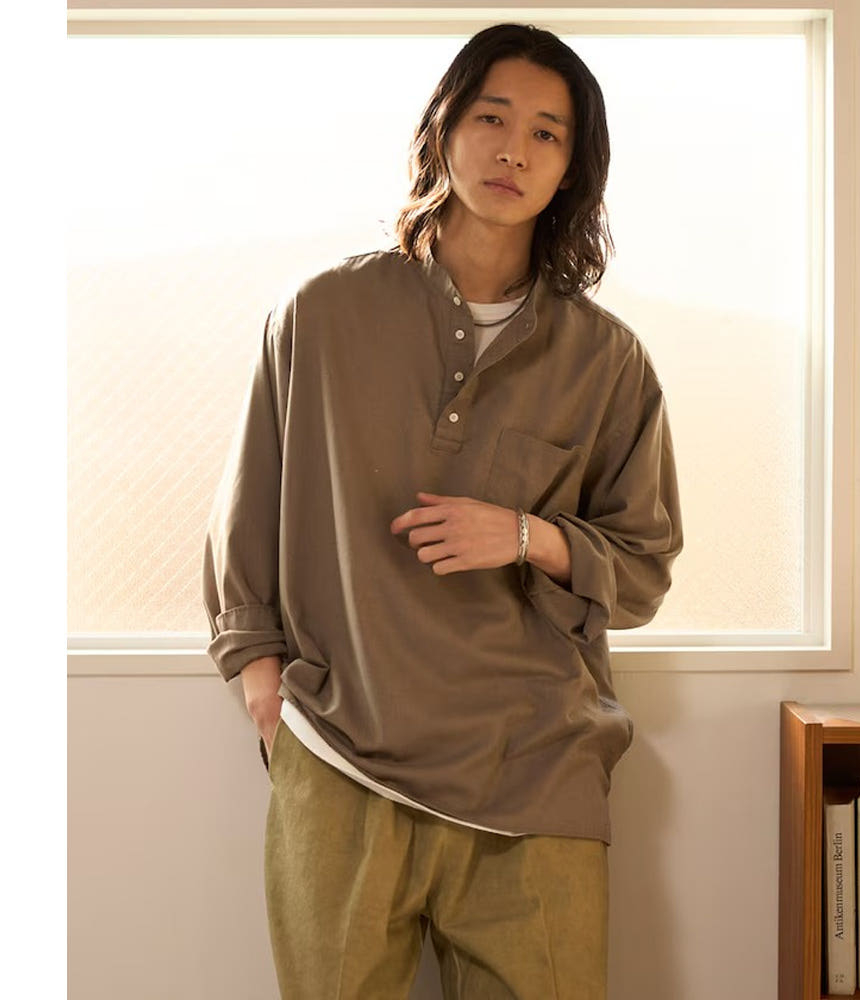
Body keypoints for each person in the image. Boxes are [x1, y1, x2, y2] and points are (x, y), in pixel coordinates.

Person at [202, 21, 683, 1000]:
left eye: (546, 133)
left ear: (572, 169)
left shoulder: (608, 361)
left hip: (535, 766)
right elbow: (247, 512)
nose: (514, 150)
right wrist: (261, 682)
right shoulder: (320, 314)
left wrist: (524, 535)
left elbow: (640, 569)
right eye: (492, 118)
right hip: (341, 755)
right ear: (444, 129)